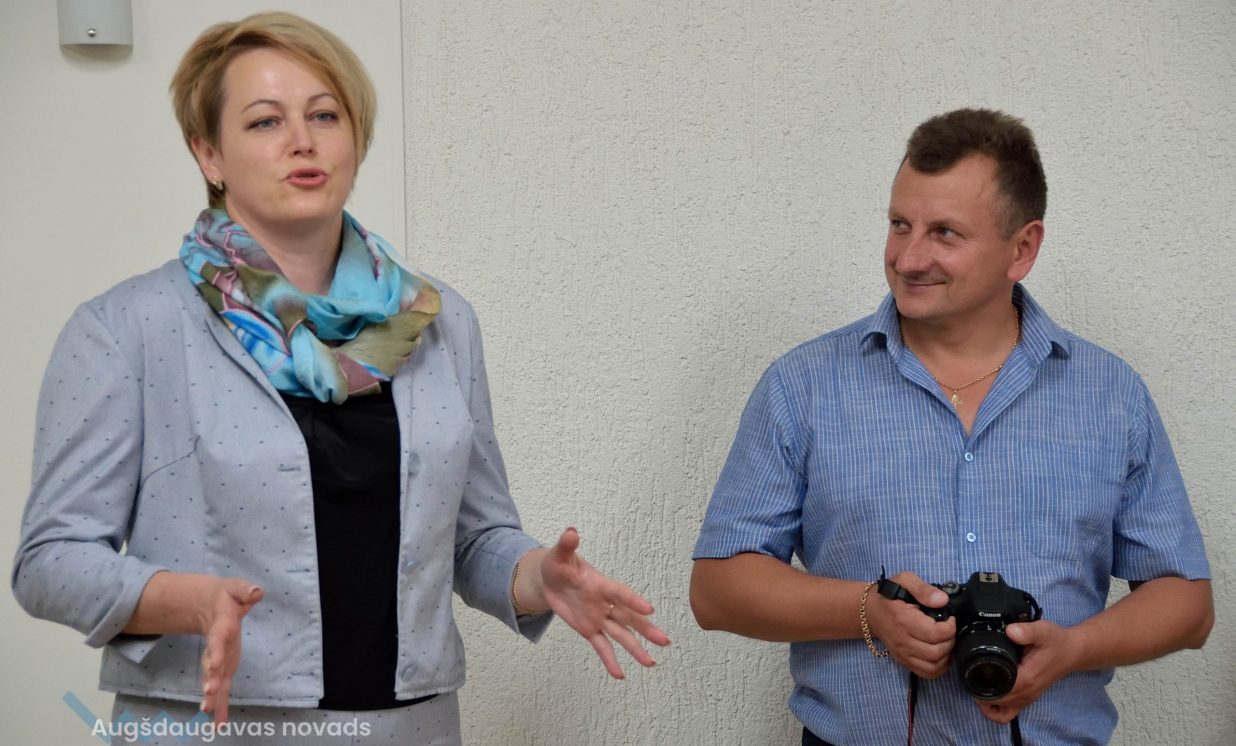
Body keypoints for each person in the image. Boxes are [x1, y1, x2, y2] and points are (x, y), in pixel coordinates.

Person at [12, 12, 667, 745]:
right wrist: (180, 599)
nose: (303, 140)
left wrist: (536, 575)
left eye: (325, 114)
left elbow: (474, 539)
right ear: (209, 153)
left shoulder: (438, 322)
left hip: (412, 729)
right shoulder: (127, 329)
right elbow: (49, 561)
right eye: (265, 121)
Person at [689, 108, 1212, 745]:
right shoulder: (803, 385)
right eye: (899, 224)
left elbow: (1187, 604)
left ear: (1022, 248)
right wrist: (867, 611)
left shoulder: (1110, 394)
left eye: (944, 233)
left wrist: (1074, 648)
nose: (909, 257)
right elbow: (716, 589)